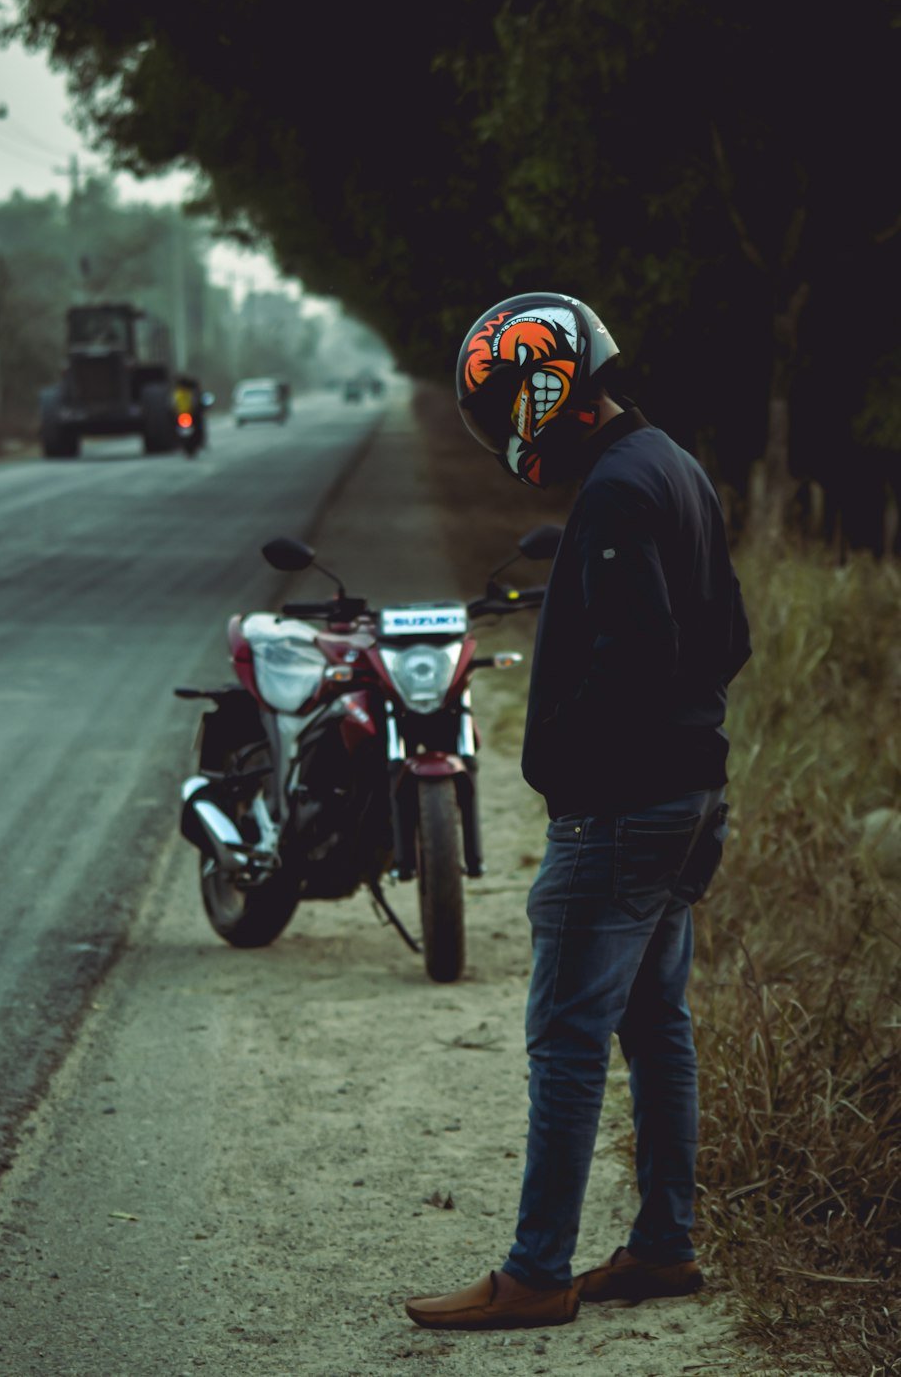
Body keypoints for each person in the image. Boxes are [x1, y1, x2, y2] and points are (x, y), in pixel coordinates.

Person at [405, 293, 751, 1333]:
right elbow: (727, 636)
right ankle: (661, 1248)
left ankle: (537, 1272)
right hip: (690, 794)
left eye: (503, 407)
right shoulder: (673, 466)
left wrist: (563, 758)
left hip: (621, 814)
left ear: (540, 390)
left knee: (566, 1036)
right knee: (655, 1025)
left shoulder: (613, 492)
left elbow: (631, 662)